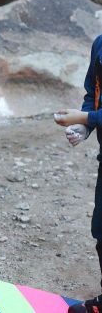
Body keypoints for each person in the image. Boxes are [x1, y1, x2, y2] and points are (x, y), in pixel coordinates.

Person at [55, 35, 102, 312]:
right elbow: (92, 94)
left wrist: (84, 119)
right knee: (101, 229)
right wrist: (85, 128)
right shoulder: (99, 44)